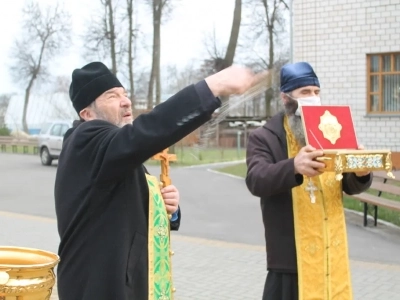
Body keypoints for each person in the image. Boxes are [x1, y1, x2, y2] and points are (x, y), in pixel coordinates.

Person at [54, 61, 264, 300]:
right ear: (87, 114)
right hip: (98, 288)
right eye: (112, 96)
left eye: (125, 94)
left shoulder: (112, 153)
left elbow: (125, 208)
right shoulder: (85, 141)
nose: (126, 101)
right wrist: (214, 85)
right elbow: (147, 131)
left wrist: (167, 209)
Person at [245, 62, 373, 300]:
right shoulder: (264, 137)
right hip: (290, 259)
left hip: (330, 253)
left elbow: (347, 184)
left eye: (316, 92)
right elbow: (256, 179)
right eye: (305, 92)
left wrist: (360, 173)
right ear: (286, 98)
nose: (313, 98)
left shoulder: (331, 130)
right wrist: (293, 166)